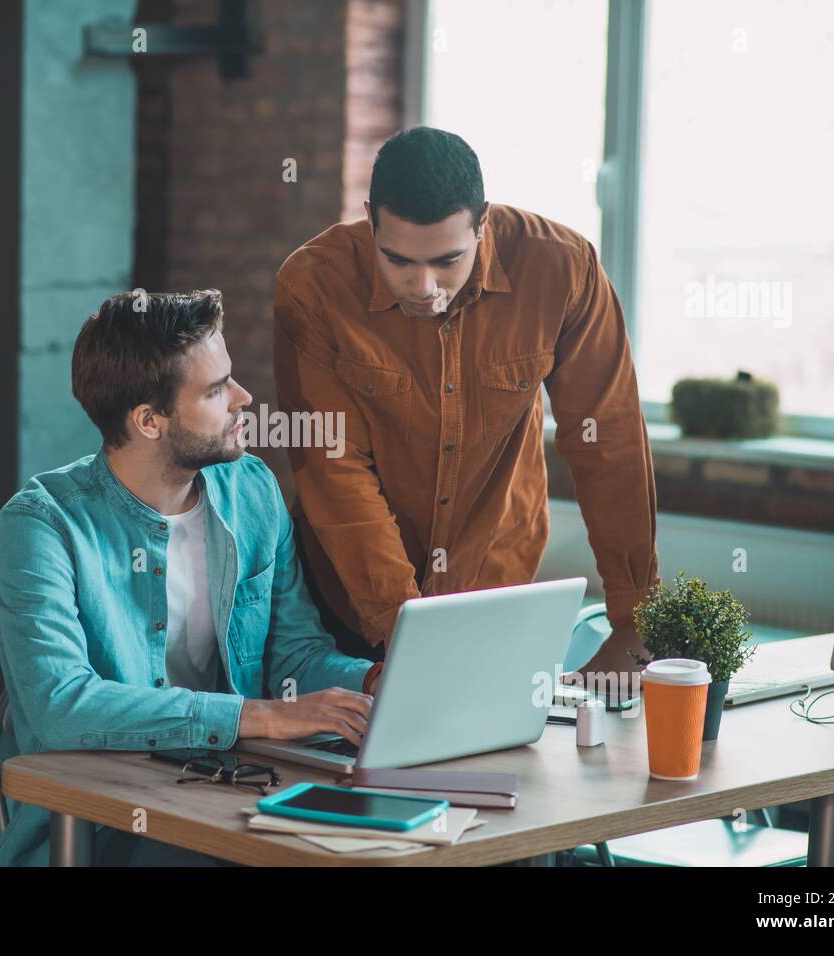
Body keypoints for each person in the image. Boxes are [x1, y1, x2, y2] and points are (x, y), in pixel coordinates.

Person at [0, 289, 381, 866]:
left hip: (239, 788)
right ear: (149, 420)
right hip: (106, 817)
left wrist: (374, 682)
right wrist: (261, 715)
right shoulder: (41, 525)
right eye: (217, 389)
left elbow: (293, 655)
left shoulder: (251, 488)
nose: (244, 399)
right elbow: (61, 705)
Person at [273, 126, 660, 690]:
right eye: (398, 260)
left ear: (483, 222)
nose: (423, 286)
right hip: (352, 602)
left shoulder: (561, 270)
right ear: (370, 219)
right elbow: (334, 469)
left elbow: (609, 441)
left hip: (494, 588)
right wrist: (406, 628)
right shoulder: (314, 286)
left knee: (498, 770)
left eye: (447, 260)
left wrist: (632, 620)